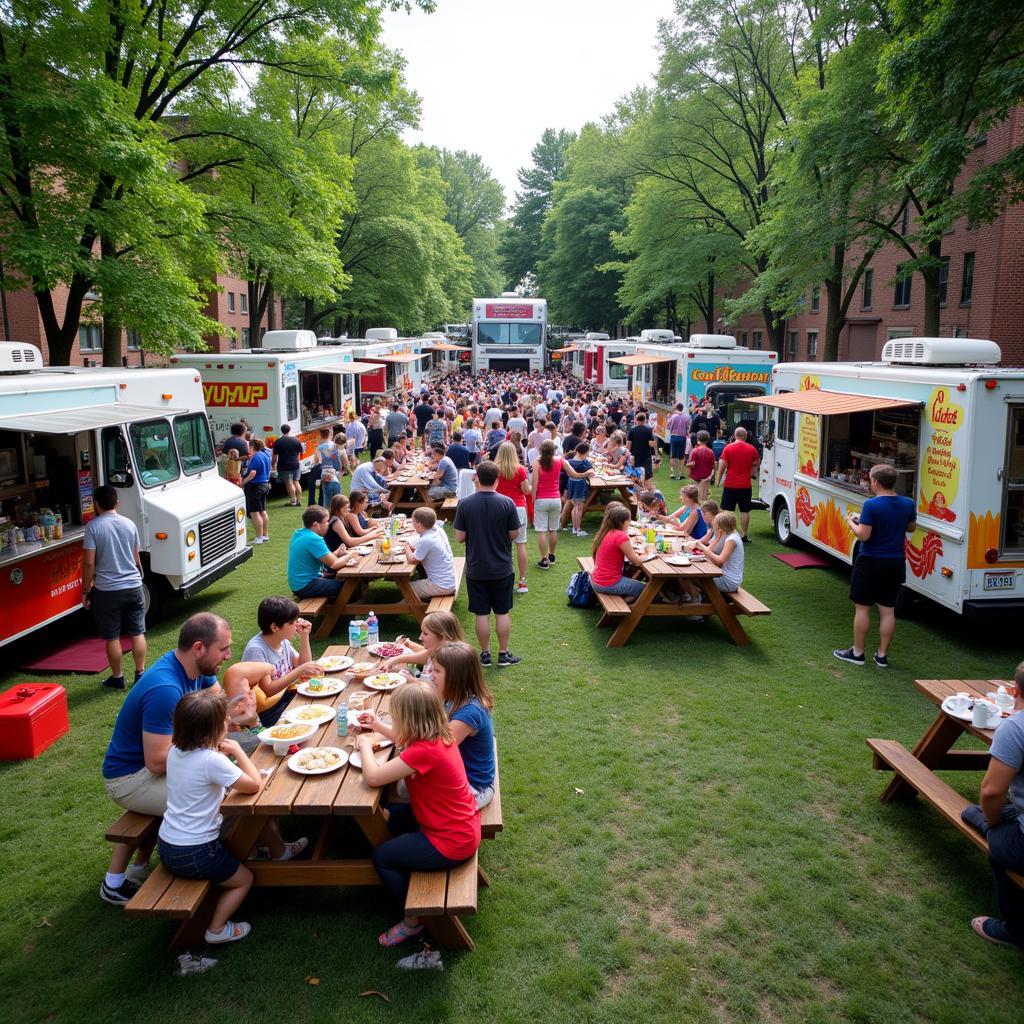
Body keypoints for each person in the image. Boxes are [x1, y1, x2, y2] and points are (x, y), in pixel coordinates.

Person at [99, 613, 233, 905]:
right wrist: (210, 752)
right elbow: (157, 761)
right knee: (222, 797)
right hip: (131, 778)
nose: (228, 654)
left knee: (236, 763)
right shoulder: (165, 689)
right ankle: (224, 864)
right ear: (199, 648)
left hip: (168, 762)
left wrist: (235, 717)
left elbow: (220, 711)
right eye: (223, 648)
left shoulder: (200, 669)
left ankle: (137, 868)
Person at [355, 682, 480, 947]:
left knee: (382, 857)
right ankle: (409, 865)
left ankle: (413, 922)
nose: (395, 722)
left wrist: (365, 744)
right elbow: (403, 741)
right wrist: (378, 726)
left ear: (410, 720)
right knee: (397, 816)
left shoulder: (423, 751)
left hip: (451, 842)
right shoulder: (438, 736)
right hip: (462, 824)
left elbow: (374, 777)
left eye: (396, 717)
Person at [157, 689, 263, 944]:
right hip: (197, 852)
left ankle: (261, 850)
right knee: (244, 880)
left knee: (239, 837)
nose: (228, 723)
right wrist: (237, 751)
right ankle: (216, 929)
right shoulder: (211, 760)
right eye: (224, 721)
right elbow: (254, 784)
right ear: (214, 730)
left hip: (167, 845)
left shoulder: (175, 752)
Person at [961, 661, 1024, 950]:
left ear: (1013, 690)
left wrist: (993, 819)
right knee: (1003, 813)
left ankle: (1016, 929)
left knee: (997, 842)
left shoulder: (1015, 727)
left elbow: (991, 790)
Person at [833, 464, 916, 668]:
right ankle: (881, 656)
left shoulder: (871, 505)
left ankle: (858, 653)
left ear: (875, 482)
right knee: (888, 611)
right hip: (895, 562)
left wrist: (851, 522)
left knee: (862, 609)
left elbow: (864, 535)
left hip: (870, 561)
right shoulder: (908, 503)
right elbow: (911, 527)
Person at [453, 460, 522, 667]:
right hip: (501, 567)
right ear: (497, 479)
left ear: (477, 478)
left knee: (481, 613)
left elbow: (459, 537)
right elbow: (514, 534)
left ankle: (485, 654)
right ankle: (503, 653)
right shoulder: (507, 503)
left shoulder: (465, 504)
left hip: (476, 567)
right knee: (502, 612)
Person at [82, 485, 147, 691]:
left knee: (112, 636)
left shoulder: (93, 527)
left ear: (96, 504)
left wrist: (86, 589)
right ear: (117, 502)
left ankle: (118, 677)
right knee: (137, 632)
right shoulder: (129, 524)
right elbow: (136, 557)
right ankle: (140, 673)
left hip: (107, 590)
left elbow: (89, 563)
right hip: (133, 585)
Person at [241, 596, 320, 727]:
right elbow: (268, 690)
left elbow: (303, 665)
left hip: (287, 697)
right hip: (270, 712)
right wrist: (300, 670)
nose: (297, 625)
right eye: (291, 622)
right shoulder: (257, 649)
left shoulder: (283, 641)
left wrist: (304, 636)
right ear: (274, 627)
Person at [530, 439, 592, 569]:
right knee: (553, 529)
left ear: (541, 449)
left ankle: (544, 559)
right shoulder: (560, 461)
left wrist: (533, 499)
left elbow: (534, 484)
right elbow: (574, 474)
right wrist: (586, 473)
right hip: (555, 499)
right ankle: (552, 555)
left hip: (541, 499)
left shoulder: (536, 463)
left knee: (542, 530)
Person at [287, 506, 358, 600]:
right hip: (305, 586)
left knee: (346, 580)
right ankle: (336, 609)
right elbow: (334, 564)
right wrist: (351, 554)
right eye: (326, 521)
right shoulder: (313, 539)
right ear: (316, 524)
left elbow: (327, 559)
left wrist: (337, 552)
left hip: (298, 584)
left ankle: (333, 600)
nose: (328, 524)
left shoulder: (300, 533)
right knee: (352, 588)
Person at [379, 611, 464, 681]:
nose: (420, 637)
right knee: (398, 668)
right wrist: (392, 660)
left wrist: (408, 679)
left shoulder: (448, 662)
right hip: (422, 683)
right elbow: (416, 657)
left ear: (442, 637)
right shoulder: (435, 650)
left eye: (425, 634)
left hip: (430, 697)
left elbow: (432, 690)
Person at [589, 502, 647, 601]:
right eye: (628, 520)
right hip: (608, 583)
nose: (630, 523)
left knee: (638, 587)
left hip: (597, 579)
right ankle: (626, 606)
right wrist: (648, 554)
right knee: (646, 590)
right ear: (622, 522)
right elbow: (636, 562)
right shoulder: (620, 536)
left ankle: (625, 601)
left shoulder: (607, 531)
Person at [495, 441, 530, 593]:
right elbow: (526, 490)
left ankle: (501, 579)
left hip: (499, 507)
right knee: (520, 543)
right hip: (518, 508)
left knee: (499, 545)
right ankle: (522, 581)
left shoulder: (495, 469)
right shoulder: (520, 470)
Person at [716, 426, 760, 542]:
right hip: (745, 485)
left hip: (730, 484)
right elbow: (756, 463)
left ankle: (725, 532)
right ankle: (744, 534)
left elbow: (722, 466)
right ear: (745, 436)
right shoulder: (752, 449)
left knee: (726, 510)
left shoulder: (728, 448)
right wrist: (751, 472)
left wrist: (718, 479)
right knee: (745, 511)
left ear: (735, 435)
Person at [405, 507, 457, 600]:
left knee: (406, 589)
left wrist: (406, 547)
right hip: (448, 581)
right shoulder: (436, 530)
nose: (412, 525)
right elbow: (419, 544)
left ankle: (396, 609)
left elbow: (413, 560)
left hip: (442, 586)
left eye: (413, 522)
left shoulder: (427, 540)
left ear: (418, 524)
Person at [242, 437, 271, 544]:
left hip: (256, 487)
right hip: (264, 484)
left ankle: (258, 537)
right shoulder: (265, 455)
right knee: (262, 511)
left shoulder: (255, 457)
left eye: (249, 446)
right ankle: (265, 535)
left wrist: (243, 482)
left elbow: (252, 473)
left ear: (252, 447)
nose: (248, 448)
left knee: (255, 513)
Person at [271, 424, 304, 506]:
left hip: (284, 465)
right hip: (295, 464)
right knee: (296, 482)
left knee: (289, 483)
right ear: (289, 430)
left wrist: (273, 464)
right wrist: (297, 460)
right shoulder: (296, 440)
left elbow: (275, 456)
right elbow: (301, 452)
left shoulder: (278, 442)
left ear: (281, 431)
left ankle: (293, 501)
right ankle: (299, 500)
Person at [566, 441, 594, 537]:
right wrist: (588, 473)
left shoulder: (570, 461)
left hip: (571, 484)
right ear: (585, 452)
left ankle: (574, 528)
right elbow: (591, 470)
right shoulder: (584, 462)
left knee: (575, 506)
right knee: (579, 507)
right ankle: (578, 529)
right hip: (580, 485)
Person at [308, 426, 339, 506]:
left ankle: (311, 501)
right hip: (332, 469)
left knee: (311, 479)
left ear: (320, 435)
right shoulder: (333, 445)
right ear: (329, 434)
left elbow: (317, 461)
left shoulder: (320, 446)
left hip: (323, 469)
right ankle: (321, 502)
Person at [626, 412, 658, 482]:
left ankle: (637, 491)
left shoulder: (632, 430)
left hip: (634, 457)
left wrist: (627, 454)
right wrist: (656, 454)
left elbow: (628, 444)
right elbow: (652, 444)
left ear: (636, 420)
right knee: (647, 477)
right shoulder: (649, 430)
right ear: (645, 420)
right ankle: (647, 491)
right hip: (646, 456)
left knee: (635, 476)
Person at [687, 430, 716, 502]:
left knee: (695, 499)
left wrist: (687, 465)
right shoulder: (710, 452)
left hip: (695, 477)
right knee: (703, 499)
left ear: (698, 439)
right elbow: (714, 464)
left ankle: (697, 512)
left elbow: (692, 464)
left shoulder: (695, 451)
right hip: (706, 478)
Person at [666, 403, 692, 480]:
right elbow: (688, 428)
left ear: (676, 408)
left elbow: (668, 426)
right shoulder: (687, 416)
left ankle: (672, 473)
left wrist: (668, 418)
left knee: (673, 455)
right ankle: (681, 473)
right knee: (682, 456)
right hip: (683, 437)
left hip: (674, 436)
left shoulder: (673, 416)